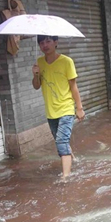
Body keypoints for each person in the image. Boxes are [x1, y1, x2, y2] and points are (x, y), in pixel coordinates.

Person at [31, 35, 86, 180]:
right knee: (60, 140)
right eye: (41, 42)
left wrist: (79, 108)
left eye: (48, 41)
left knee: (61, 141)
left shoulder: (66, 61)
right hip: (51, 110)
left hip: (66, 108)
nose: (45, 45)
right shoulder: (40, 62)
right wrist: (36, 75)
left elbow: (73, 86)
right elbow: (37, 86)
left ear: (56, 43)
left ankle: (65, 176)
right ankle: (73, 160)